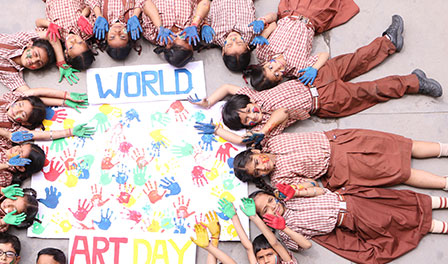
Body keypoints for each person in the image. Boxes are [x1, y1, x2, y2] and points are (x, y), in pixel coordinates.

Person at [192, 16, 443, 146]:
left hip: (310, 78)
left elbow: (227, 87)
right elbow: (276, 116)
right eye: (247, 120)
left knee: (355, 60)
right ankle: (415, 82)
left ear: (246, 101)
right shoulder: (264, 130)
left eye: (247, 110)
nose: (252, 115)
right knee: (371, 91)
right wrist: (222, 132)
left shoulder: (253, 95)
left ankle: (388, 42)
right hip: (324, 102)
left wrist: (208, 102)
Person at [249, 183, 448, 264]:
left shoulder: (289, 197)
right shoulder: (286, 232)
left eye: (270, 200)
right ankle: (435, 226)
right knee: (393, 219)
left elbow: (319, 190)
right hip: (351, 219)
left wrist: (297, 191)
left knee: (397, 200)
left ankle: (441, 202)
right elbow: (306, 245)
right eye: (266, 210)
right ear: (264, 218)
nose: (272, 207)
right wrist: (283, 227)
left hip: (352, 198)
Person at [232, 129, 448, 192]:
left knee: (400, 144)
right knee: (397, 172)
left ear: (255, 152)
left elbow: (283, 113)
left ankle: (444, 149)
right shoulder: (279, 180)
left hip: (340, 139)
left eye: (257, 162)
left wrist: (264, 130)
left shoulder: (273, 139)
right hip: (340, 167)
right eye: (258, 172)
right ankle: (444, 183)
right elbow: (312, 185)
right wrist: (295, 190)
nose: (262, 167)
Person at [246, 0, 359, 90]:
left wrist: (263, 35)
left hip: (291, 10)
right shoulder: (298, 69)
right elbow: (324, 54)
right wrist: (314, 68)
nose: (277, 67)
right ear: (280, 80)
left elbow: (273, 25)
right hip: (313, 17)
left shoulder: (263, 52)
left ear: (264, 64)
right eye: (276, 74)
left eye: (270, 67)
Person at [205, 1, 276, 72]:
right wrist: (263, 23)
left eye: (229, 45)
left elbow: (205, 14)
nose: (233, 39)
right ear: (247, 46)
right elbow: (274, 20)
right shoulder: (252, 34)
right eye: (239, 43)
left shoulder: (213, 36)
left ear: (223, 51)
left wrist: (204, 25)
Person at [141, 0, 212, 68]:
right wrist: (195, 24)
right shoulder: (192, 33)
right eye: (191, 43)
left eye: (185, 40)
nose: (188, 38)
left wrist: (159, 26)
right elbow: (205, 2)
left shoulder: (153, 34)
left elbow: (146, 3)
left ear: (169, 44)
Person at [35, 0, 96, 79]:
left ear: (66, 53)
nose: (73, 40)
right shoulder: (86, 31)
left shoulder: (56, 36)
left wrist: (49, 24)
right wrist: (83, 16)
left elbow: (38, 22)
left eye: (71, 47)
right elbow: (88, 7)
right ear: (86, 43)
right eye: (80, 42)